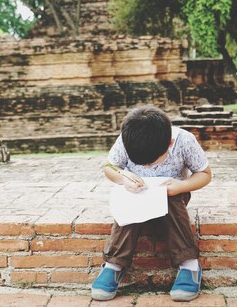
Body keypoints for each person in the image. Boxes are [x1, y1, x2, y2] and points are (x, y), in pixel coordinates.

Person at [91, 105, 212, 302]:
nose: (147, 166)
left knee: (169, 198)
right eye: (141, 163)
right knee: (127, 201)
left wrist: (182, 186)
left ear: (170, 143)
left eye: (152, 162)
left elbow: (205, 174)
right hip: (136, 194)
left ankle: (189, 265)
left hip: (173, 194)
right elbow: (110, 167)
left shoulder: (184, 141)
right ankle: (114, 265)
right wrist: (123, 176)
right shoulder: (128, 138)